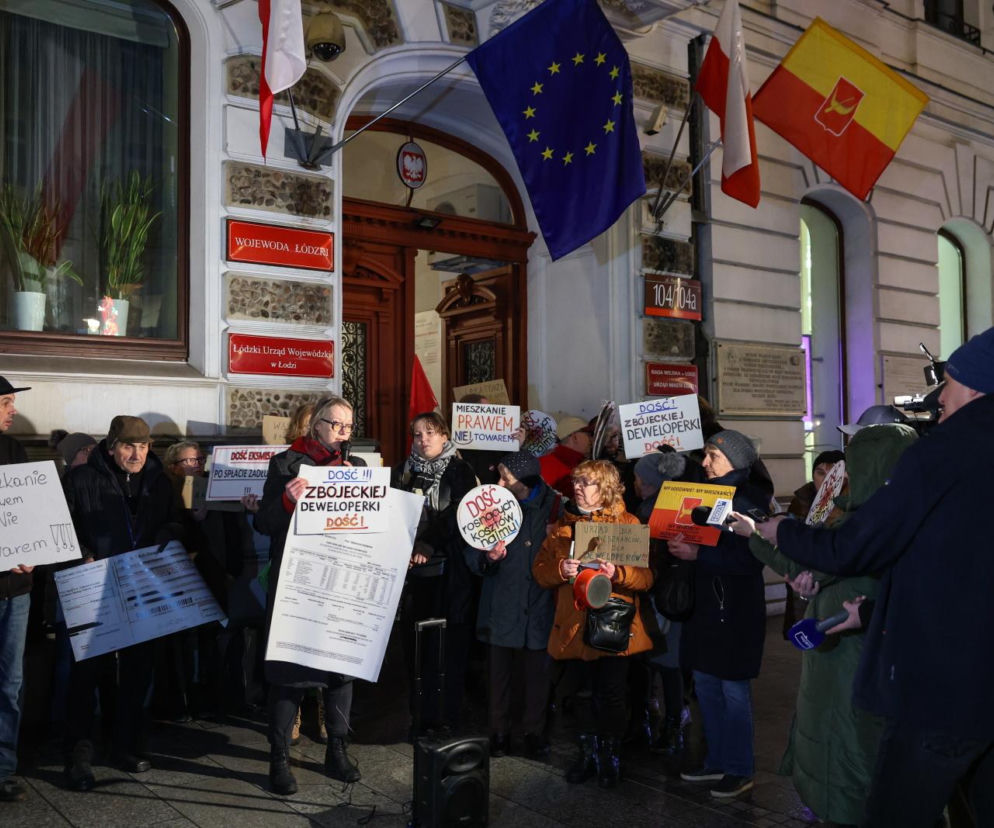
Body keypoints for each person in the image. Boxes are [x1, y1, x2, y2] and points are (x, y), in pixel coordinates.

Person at [751, 328, 994, 828]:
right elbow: (959, 568)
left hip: (941, 688)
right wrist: (873, 610)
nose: (939, 398)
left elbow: (854, 546)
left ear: (976, 385)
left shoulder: (943, 452)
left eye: (948, 382)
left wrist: (784, 532)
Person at [732, 424, 917, 825]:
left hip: (852, 662)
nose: (842, 475)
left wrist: (760, 536)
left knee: (850, 753)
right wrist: (807, 587)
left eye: (852, 464)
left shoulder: (869, 524)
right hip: (853, 655)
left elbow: (820, 562)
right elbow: (814, 571)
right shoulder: (900, 516)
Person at [62, 415, 185, 790]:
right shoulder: (82, 479)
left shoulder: (158, 481)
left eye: (144, 446)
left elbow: (175, 522)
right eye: (129, 446)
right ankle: (79, 756)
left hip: (140, 583)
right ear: (112, 445)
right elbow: (60, 528)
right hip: (93, 584)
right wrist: (81, 554)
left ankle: (125, 745)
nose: (137, 454)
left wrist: (166, 537)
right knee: (87, 672)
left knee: (137, 670)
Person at [254, 395, 363, 795]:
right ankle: (279, 756)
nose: (343, 434)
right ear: (316, 425)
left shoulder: (357, 468)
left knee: (340, 669)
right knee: (288, 672)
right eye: (336, 425)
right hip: (296, 584)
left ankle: (337, 749)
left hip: (340, 583)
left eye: (349, 427)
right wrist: (287, 500)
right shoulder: (284, 464)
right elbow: (264, 521)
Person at [532, 460, 654, 788]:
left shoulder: (627, 523)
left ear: (606, 488)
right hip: (572, 628)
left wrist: (620, 574)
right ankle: (587, 754)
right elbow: (540, 572)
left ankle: (610, 758)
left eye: (587, 482)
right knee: (580, 695)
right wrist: (561, 569)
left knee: (612, 695)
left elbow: (645, 579)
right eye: (577, 481)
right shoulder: (561, 526)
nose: (579, 487)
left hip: (614, 627)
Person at [669, 430, 771, 799]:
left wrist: (700, 556)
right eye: (705, 455)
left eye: (712, 455)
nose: (705, 462)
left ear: (736, 460)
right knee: (707, 687)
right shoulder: (706, 494)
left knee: (733, 691)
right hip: (707, 609)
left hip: (736, 611)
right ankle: (717, 760)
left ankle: (740, 768)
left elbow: (753, 557)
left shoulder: (749, 499)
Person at [463, 451, 559, 759]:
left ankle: (534, 733)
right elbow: (473, 555)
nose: (500, 482)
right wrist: (487, 558)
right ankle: (498, 732)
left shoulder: (555, 507)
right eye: (499, 475)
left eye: (507, 477)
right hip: (502, 603)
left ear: (527, 481)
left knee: (537, 675)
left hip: (540, 604)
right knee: (498, 675)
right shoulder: (490, 505)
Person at [393, 411, 478, 734]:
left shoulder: (460, 470)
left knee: (447, 650)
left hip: (450, 573)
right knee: (416, 650)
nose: (423, 439)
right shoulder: (403, 471)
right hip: (414, 577)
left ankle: (447, 717)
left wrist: (428, 543)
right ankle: (420, 717)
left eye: (430, 432)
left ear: (444, 435)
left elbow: (461, 513)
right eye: (417, 434)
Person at [0, 376, 33, 803]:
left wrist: (38, 548)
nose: (13, 410)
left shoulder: (17, 451)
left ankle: (4, 767)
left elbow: (34, 512)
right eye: (6, 402)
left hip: (17, 589)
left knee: (10, 682)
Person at [781, 449, 845, 636]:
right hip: (802, 584)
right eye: (820, 472)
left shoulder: (852, 504)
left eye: (833, 472)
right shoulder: (799, 502)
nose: (826, 478)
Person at [538, 415, 593, 499]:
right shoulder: (546, 464)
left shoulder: (545, 462)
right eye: (588, 435)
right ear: (575, 437)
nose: (591, 439)